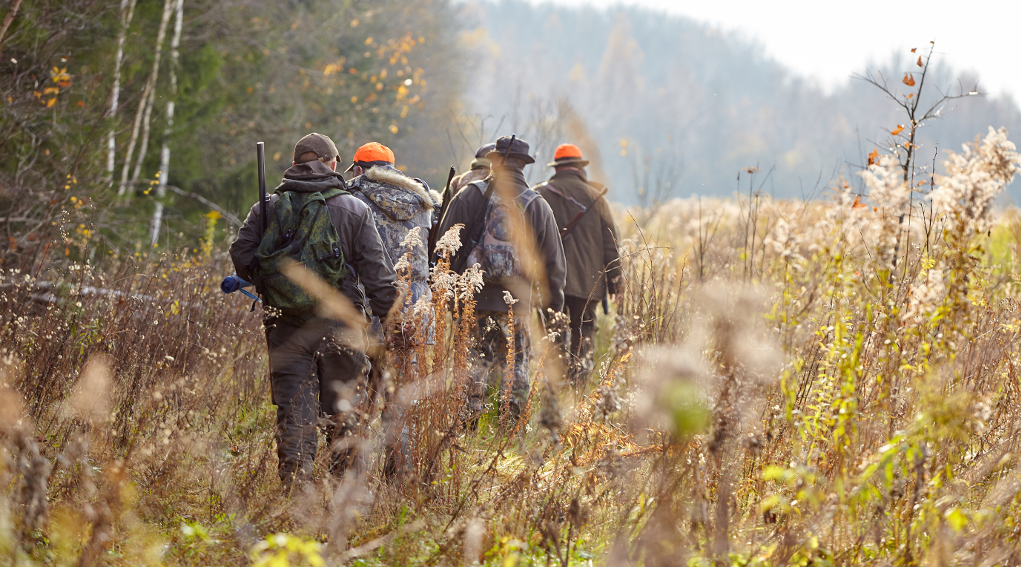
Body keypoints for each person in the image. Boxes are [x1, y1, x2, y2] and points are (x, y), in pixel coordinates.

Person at [229, 133, 397, 485]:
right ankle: (344, 492)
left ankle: (295, 491)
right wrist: (390, 318)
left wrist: (273, 282)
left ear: (294, 162)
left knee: (294, 409)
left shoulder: (268, 207)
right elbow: (377, 275)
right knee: (344, 409)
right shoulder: (354, 208)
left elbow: (242, 257)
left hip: (286, 325)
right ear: (333, 162)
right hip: (344, 324)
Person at [437, 135, 566, 425]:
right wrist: (551, 306)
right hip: (517, 305)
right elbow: (554, 265)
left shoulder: (468, 195)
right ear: (524, 165)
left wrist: (445, 295)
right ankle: (511, 429)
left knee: (472, 363)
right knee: (515, 365)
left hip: (471, 299)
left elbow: (444, 247)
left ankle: (466, 427)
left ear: (494, 161)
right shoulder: (537, 205)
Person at [345, 141, 440, 477]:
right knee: (403, 397)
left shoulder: (350, 201)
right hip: (414, 311)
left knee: (357, 396)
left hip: (367, 309)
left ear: (359, 168)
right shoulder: (423, 201)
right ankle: (401, 476)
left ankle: (350, 477)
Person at [534, 144, 621, 384]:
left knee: (554, 331)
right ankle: (579, 384)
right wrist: (616, 283)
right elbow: (610, 244)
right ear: (580, 167)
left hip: (550, 279)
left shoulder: (539, 194)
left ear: (557, 167)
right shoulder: (597, 197)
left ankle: (556, 383)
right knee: (584, 331)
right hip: (588, 281)